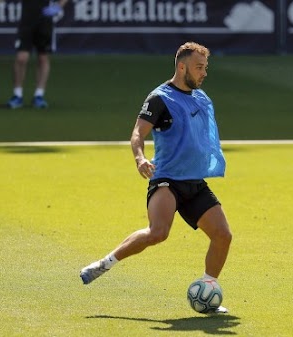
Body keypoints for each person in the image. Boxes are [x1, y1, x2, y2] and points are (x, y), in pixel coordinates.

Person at [80, 42, 233, 314]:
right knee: (158, 232)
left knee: (223, 235)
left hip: (194, 182)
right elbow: (138, 133)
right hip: (167, 180)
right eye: (199, 68)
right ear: (182, 66)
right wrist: (140, 158)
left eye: (205, 68)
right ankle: (105, 263)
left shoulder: (200, 98)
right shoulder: (160, 98)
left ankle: (208, 288)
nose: (203, 73)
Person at [6, 0, 68, 109]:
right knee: (21, 58)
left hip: (45, 21)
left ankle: (39, 95)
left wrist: (58, 6)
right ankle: (17, 95)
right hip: (27, 21)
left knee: (43, 57)